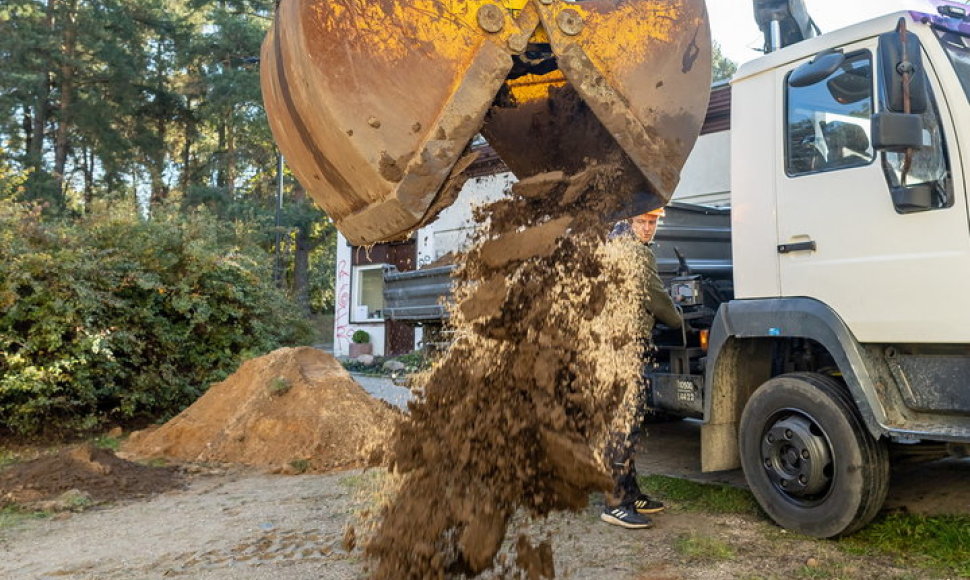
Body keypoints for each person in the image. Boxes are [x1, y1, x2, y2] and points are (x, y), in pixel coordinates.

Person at [601, 207, 683, 529]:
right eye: (642, 222)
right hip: (623, 350)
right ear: (627, 222)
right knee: (622, 425)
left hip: (611, 347)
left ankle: (630, 494)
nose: (648, 228)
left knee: (626, 424)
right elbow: (658, 300)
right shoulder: (635, 252)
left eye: (653, 222)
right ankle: (615, 503)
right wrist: (679, 320)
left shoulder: (614, 246)